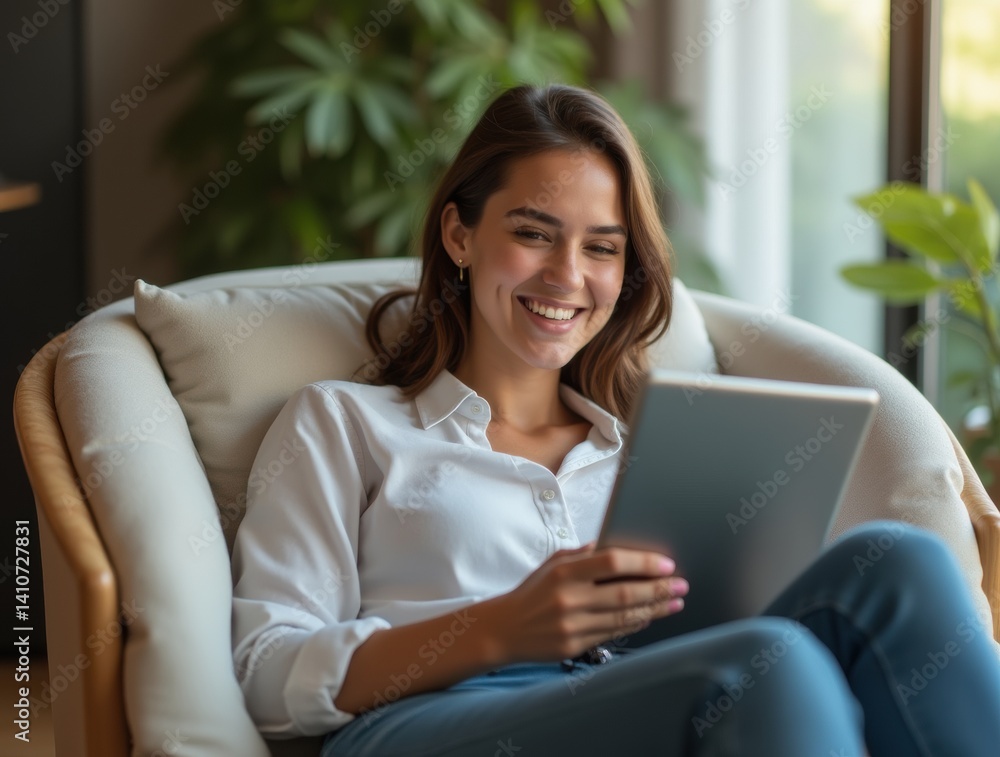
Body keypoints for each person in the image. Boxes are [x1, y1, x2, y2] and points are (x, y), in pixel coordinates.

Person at [231, 84, 1000, 756]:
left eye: (601, 247)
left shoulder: (652, 451)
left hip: (648, 694)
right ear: (460, 235)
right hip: (430, 721)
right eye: (533, 233)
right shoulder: (344, 423)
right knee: (765, 659)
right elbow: (266, 670)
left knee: (894, 563)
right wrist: (500, 628)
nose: (567, 275)